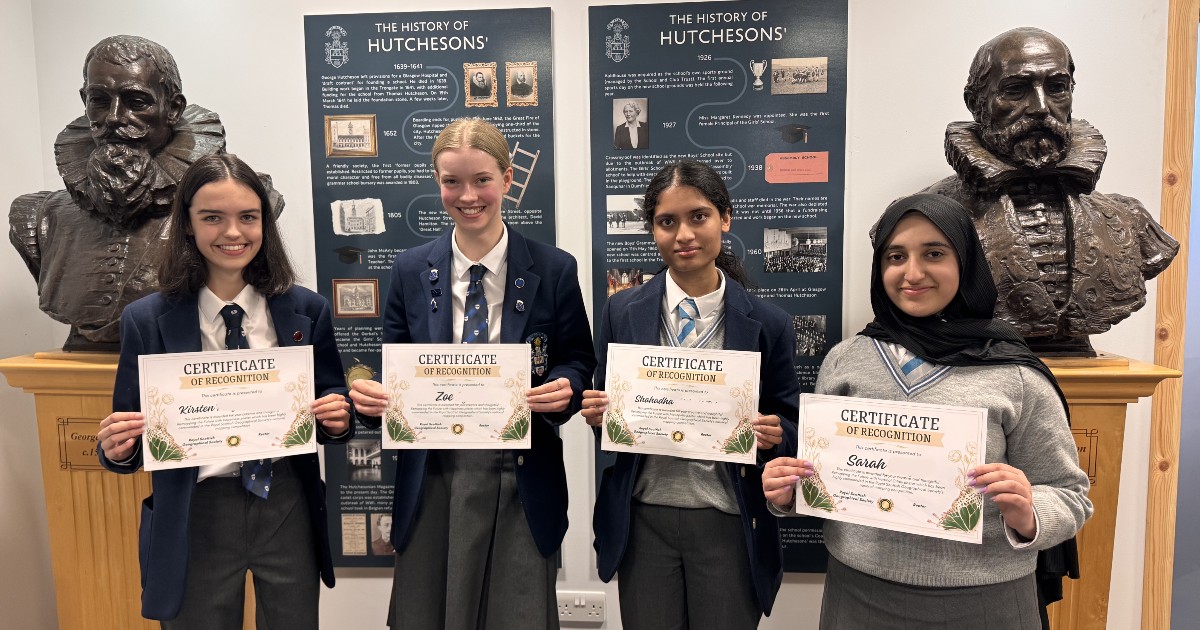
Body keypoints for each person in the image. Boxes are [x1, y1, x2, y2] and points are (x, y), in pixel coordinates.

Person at [762, 193, 1092, 629]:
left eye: (934, 254)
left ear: (965, 262)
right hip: (858, 593)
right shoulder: (846, 360)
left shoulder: (1014, 373)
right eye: (896, 256)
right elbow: (825, 480)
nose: (912, 273)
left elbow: (1070, 494)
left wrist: (1029, 512)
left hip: (984, 601)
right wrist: (789, 493)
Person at [349, 118, 596, 629]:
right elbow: (395, 370)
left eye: (482, 179)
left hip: (520, 472)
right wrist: (373, 401)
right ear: (437, 182)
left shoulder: (554, 269)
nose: (467, 196)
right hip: (434, 472)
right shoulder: (410, 270)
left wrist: (567, 387)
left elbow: (577, 357)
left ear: (507, 179)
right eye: (452, 182)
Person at [95, 153, 352, 627]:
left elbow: (333, 403)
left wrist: (338, 419)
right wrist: (116, 448)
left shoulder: (307, 311)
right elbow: (128, 433)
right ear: (188, 224)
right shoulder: (146, 320)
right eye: (213, 217)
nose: (233, 232)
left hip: (286, 502)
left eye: (248, 217)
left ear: (264, 223)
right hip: (196, 510)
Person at [582, 160, 799, 629]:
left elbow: (792, 426)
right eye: (667, 222)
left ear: (725, 218)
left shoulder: (769, 323)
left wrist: (774, 434)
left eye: (698, 216)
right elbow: (611, 425)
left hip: (728, 519)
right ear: (652, 230)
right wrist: (601, 415)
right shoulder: (620, 311)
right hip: (643, 519)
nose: (684, 234)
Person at [8, 35, 282, 349]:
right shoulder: (39, 217)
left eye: (136, 102)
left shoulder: (250, 202)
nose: (114, 117)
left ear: (173, 108)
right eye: (99, 100)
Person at [917, 27, 1176, 350]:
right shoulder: (924, 216)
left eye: (1056, 88)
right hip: (977, 365)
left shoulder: (1129, 219)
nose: (1040, 106)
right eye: (1015, 89)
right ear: (975, 102)